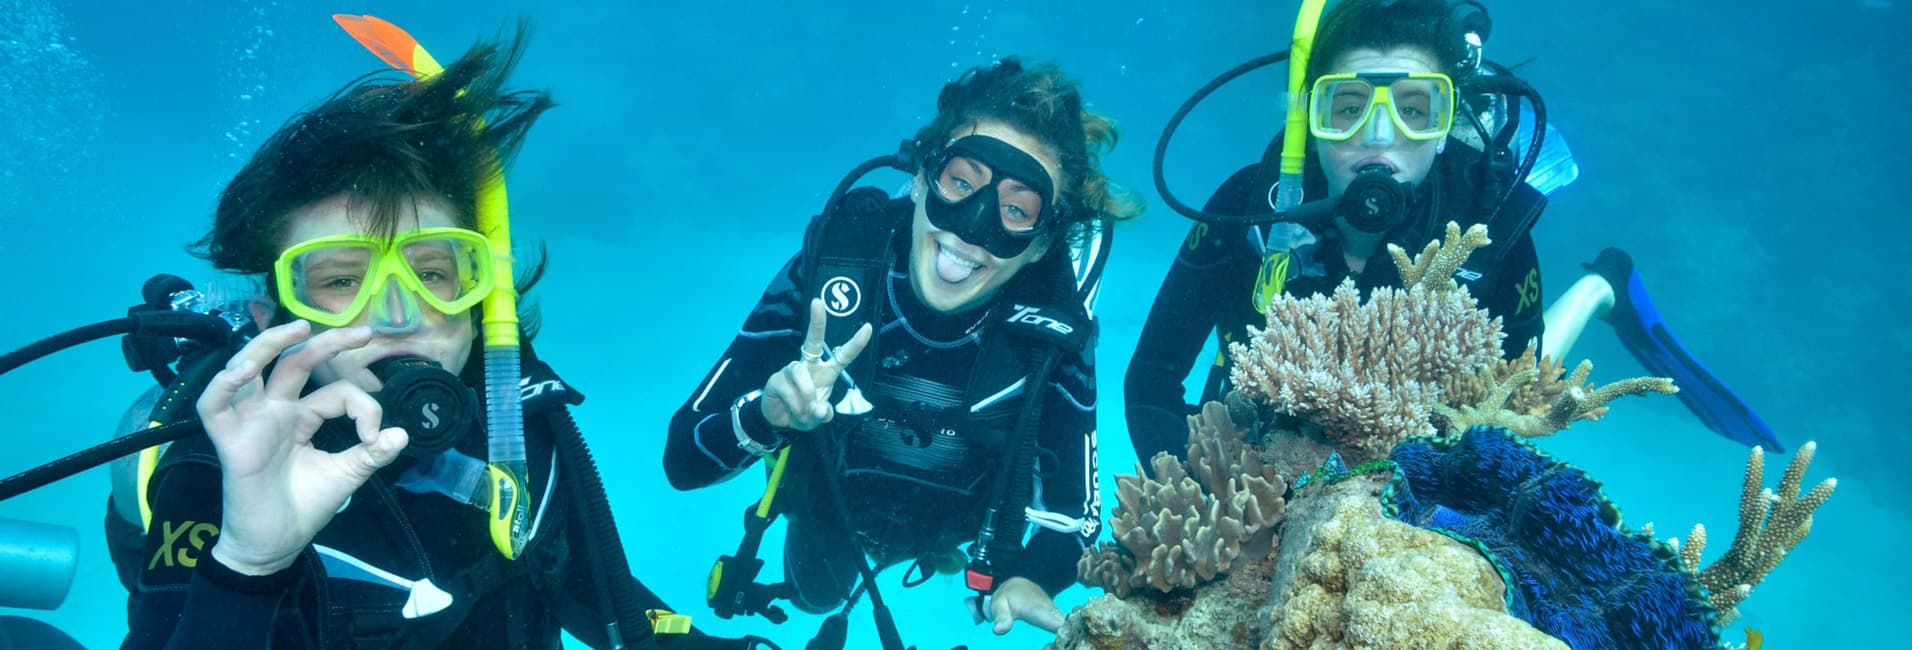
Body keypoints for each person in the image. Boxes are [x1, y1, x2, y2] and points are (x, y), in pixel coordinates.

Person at [113, 30, 756, 649]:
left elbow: (604, 599)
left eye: (431, 272)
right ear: (271, 317)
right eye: (341, 280)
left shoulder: (518, 425)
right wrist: (249, 565)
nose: (398, 313)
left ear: (482, 298)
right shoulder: (218, 468)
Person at [664, 58, 1139, 639]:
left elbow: (1072, 516)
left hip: (961, 527)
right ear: (919, 180)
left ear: (1040, 245)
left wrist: (1033, 579)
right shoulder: (837, 272)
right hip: (830, 507)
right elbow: (682, 460)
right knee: (814, 594)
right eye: (960, 182)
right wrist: (765, 415)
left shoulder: (1049, 331)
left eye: (1017, 209)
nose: (971, 228)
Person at [1126, 0, 1554, 461]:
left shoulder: (1491, 221)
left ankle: (1598, 286)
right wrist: (1208, 498)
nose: (1379, 134)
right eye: (1349, 108)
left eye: (1413, 110)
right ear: (1310, 119)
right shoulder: (1248, 208)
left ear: (1444, 127)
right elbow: (1152, 376)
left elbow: (1515, 397)